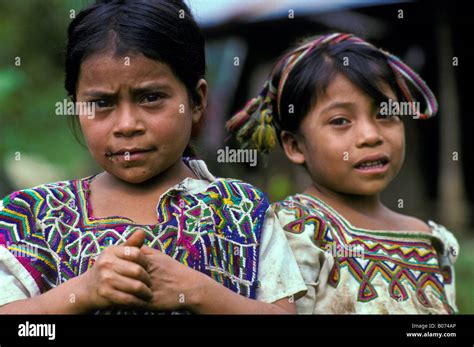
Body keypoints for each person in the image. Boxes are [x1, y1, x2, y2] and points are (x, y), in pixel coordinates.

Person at [0, 0, 306, 314]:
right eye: (102, 103)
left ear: (197, 101)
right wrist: (82, 291)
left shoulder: (241, 210)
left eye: (151, 97)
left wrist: (201, 293)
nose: (127, 125)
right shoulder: (35, 217)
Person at [227, 33, 459, 314]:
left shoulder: (432, 242)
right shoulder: (294, 233)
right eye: (340, 121)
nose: (370, 136)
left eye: (385, 114)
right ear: (295, 145)